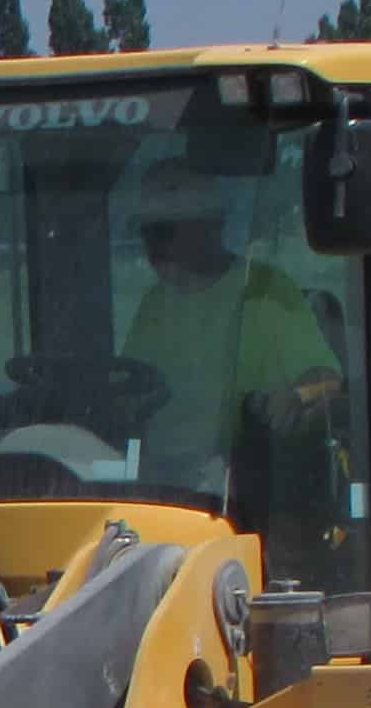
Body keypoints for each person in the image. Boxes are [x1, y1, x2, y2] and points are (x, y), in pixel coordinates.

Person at [117, 154, 341, 493]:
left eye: (162, 231)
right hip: (158, 483)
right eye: (146, 232)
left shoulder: (264, 291)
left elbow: (326, 379)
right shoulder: (155, 302)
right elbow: (128, 391)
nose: (152, 247)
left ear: (208, 225)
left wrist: (293, 398)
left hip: (240, 489)